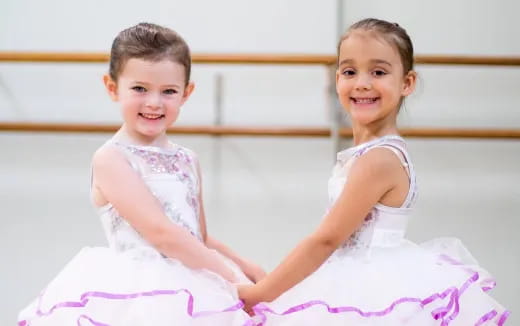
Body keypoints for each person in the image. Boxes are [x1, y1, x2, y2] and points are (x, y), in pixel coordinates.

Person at [239, 18, 509, 325]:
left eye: (378, 72)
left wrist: (262, 293)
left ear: (407, 83)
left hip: (369, 288)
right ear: (336, 78)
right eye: (350, 71)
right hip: (351, 275)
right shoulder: (373, 154)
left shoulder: (379, 159)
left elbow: (326, 240)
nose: (362, 83)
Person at [18, 22, 264, 326]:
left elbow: (199, 237)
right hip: (140, 296)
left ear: (186, 93)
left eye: (169, 91)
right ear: (112, 87)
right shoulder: (111, 158)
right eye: (139, 89)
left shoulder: (188, 159)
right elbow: (163, 234)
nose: (153, 103)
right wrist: (230, 279)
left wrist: (247, 267)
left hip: (198, 285)